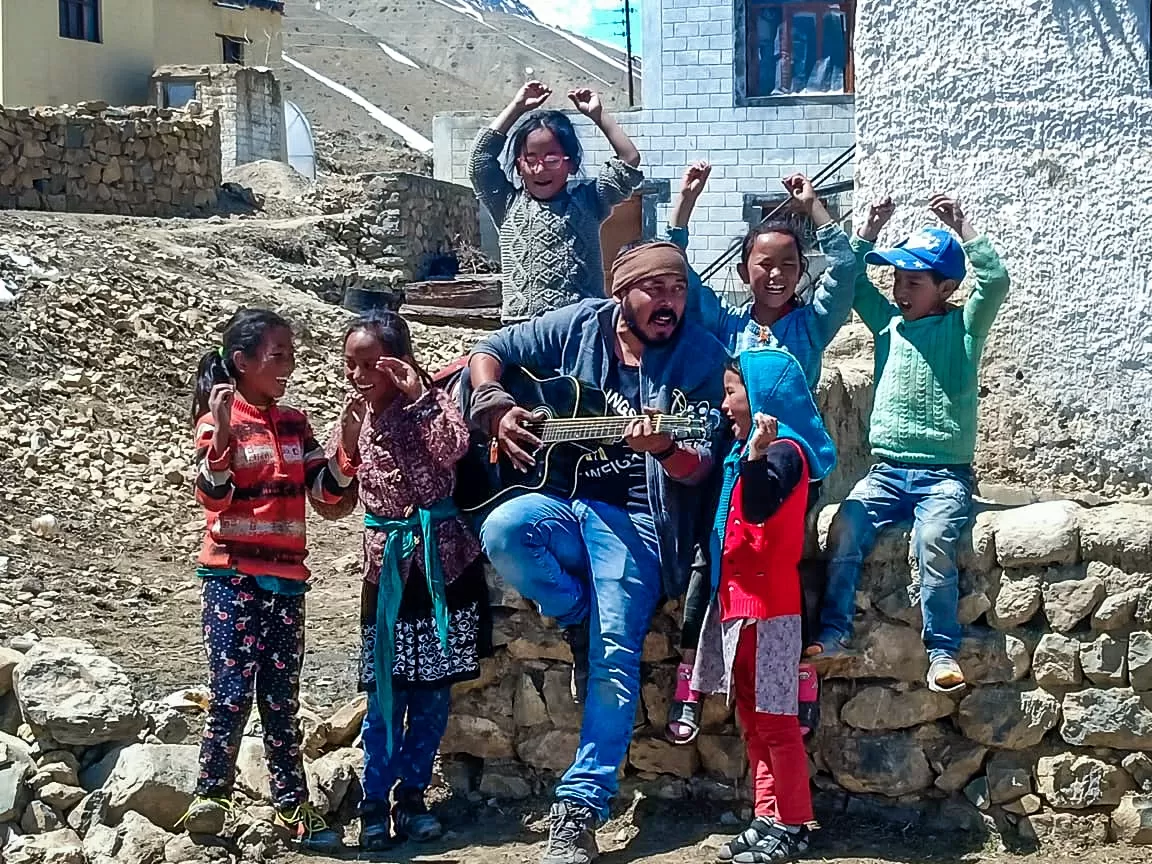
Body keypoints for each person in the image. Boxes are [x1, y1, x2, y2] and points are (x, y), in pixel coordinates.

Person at [468, 242, 729, 864]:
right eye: (654, 290)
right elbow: (491, 350)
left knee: (616, 655)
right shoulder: (581, 324)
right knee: (503, 530)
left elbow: (701, 466)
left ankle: (580, 806)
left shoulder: (699, 356)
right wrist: (496, 407)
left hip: (639, 519)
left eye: (677, 289)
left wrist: (665, 448)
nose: (669, 302)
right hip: (561, 498)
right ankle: (576, 613)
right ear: (623, 295)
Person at [664, 162, 855, 743]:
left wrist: (814, 206)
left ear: (801, 273)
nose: (775, 273)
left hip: (792, 470)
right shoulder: (728, 327)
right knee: (710, 562)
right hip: (736, 468)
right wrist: (685, 207)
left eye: (788, 265)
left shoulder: (812, 325)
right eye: (764, 263)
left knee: (792, 562)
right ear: (745, 268)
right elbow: (686, 281)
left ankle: (798, 681)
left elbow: (845, 269)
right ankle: (691, 685)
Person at [807, 194, 1011, 695]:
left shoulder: (963, 328)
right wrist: (869, 230)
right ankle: (833, 633)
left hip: (944, 475)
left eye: (913, 282)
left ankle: (941, 649)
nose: (900, 290)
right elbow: (853, 278)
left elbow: (996, 283)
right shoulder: (888, 326)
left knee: (934, 538)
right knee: (846, 525)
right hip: (886, 472)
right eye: (897, 280)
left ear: (946, 287)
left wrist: (965, 230)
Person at [314, 310, 490, 851]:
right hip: (387, 572)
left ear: (400, 360)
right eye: (352, 364)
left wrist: (418, 403)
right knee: (385, 695)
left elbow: (452, 451)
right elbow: (332, 499)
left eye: (371, 363)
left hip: (441, 567)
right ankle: (373, 801)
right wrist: (343, 446)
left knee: (432, 695)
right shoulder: (355, 417)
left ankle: (412, 799)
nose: (359, 374)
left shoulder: (433, 402)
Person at [182, 308, 350, 851]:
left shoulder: (296, 424)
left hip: (286, 582)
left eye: (290, 355)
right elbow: (213, 496)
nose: (289, 365)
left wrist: (346, 446)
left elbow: (327, 497)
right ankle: (210, 799)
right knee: (230, 694)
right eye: (278, 356)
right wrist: (225, 432)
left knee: (281, 699)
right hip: (232, 578)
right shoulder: (216, 422)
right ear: (242, 362)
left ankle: (293, 807)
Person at [691, 348, 836, 863]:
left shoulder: (785, 454)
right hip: (743, 606)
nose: (725, 403)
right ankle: (767, 813)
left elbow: (757, 505)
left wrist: (755, 453)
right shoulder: (758, 452)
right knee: (752, 716)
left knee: (775, 720)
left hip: (772, 612)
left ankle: (794, 822)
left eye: (733, 392)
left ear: (762, 398)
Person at [469, 80, 643, 323]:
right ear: (519, 165)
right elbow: (480, 159)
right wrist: (517, 107)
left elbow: (629, 158)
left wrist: (598, 115)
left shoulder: (589, 201)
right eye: (531, 159)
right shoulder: (507, 205)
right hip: (523, 328)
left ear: (571, 163)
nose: (540, 169)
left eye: (552, 159)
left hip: (583, 326)